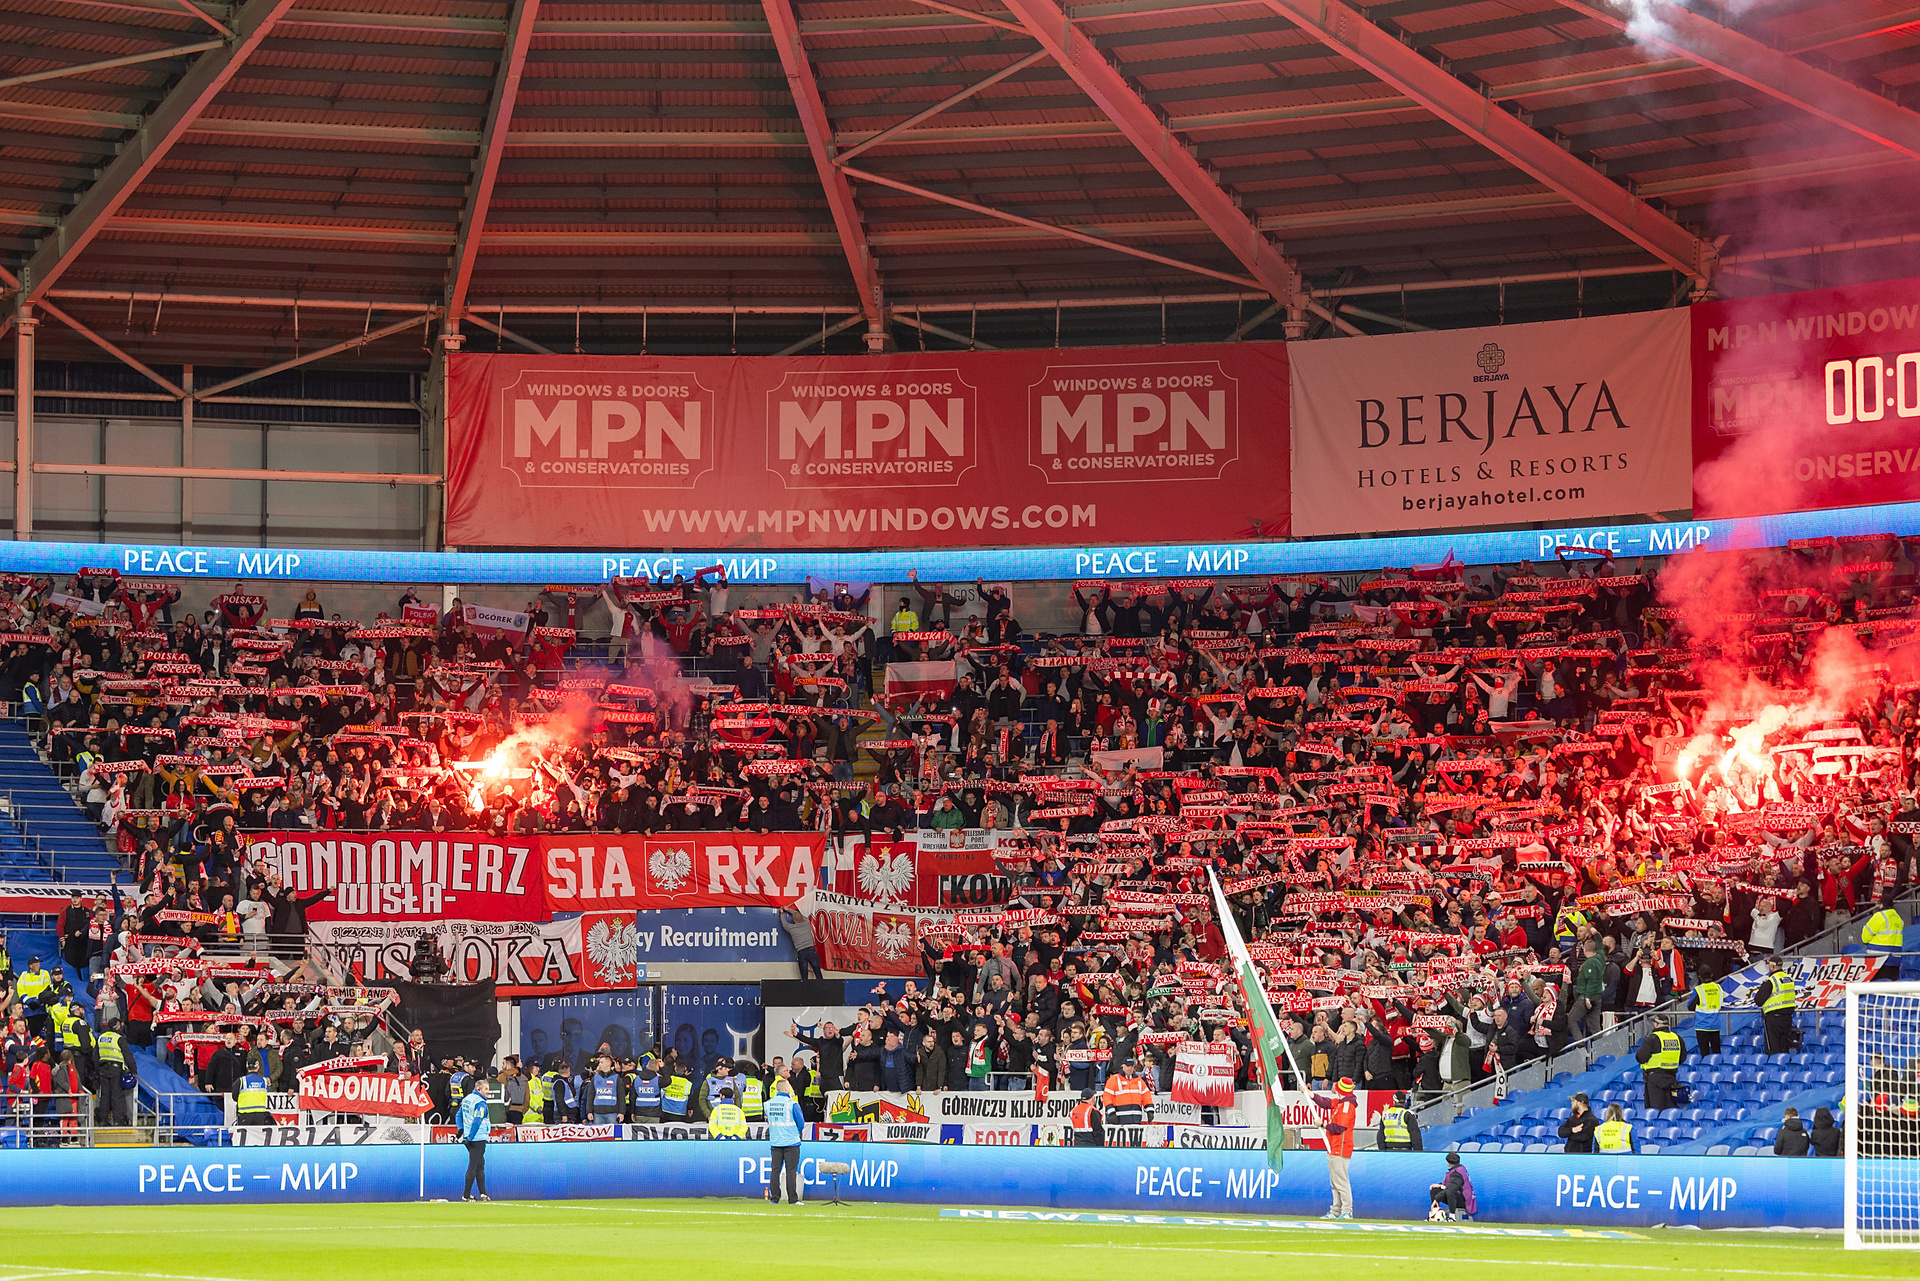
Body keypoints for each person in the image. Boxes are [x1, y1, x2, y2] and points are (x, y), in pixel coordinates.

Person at [1313, 1077, 1358, 1220]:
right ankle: (1336, 1210)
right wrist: (1311, 1095)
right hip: (1334, 1147)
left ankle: (1347, 1210)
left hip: (1341, 1147)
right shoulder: (1341, 1102)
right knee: (1335, 1182)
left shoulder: (1346, 1106)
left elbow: (1339, 1128)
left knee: (1340, 1181)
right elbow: (1325, 1102)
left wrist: (1322, 1125)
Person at [765, 1078, 805, 1205]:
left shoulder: (768, 1104)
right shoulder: (792, 1104)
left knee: (775, 1170)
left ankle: (774, 1198)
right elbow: (801, 1123)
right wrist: (795, 1133)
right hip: (791, 1142)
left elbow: (768, 1120)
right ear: (787, 1089)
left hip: (775, 1141)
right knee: (791, 1171)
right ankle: (792, 1199)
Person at [1634, 1015, 1685, 1111]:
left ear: (1656, 1024)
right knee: (1670, 1109)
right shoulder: (1677, 1038)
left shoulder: (1652, 1039)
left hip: (1654, 1079)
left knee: (1655, 1110)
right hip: (1672, 1078)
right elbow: (1682, 1058)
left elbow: (1641, 1057)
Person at [1099, 1059, 1153, 1145]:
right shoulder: (1114, 1079)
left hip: (1136, 1120)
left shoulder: (1139, 1081)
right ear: (1122, 1066)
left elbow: (1146, 1096)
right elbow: (1107, 1097)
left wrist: (1150, 1111)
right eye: (1127, 1066)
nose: (1130, 1068)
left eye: (1131, 1066)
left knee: (1135, 1145)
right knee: (1121, 1144)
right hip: (1120, 1120)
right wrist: (1112, 1113)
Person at [457, 1077, 491, 1201]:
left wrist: (461, 1130)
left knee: (479, 1165)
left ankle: (483, 1194)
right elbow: (477, 1121)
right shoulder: (480, 1103)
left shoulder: (467, 1099)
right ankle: (466, 1196)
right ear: (478, 1089)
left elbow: (458, 1115)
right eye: (486, 1089)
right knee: (474, 1166)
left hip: (469, 1137)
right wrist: (471, 1137)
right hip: (477, 1138)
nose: (488, 1092)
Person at [1760, 958, 1799, 1054]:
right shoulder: (1789, 979)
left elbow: (1758, 1000)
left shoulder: (1771, 981)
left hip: (1773, 1019)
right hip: (1787, 1019)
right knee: (1784, 1048)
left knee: (1773, 1050)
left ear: (1772, 966)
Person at [1427, 1151, 1475, 1221]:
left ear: (1448, 1163)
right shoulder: (1458, 1169)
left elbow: (1451, 1188)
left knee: (1450, 1191)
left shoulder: (1457, 1173)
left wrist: (1437, 1198)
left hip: (1464, 1200)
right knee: (1434, 1189)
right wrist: (1440, 1186)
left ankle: (1452, 1216)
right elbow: (1449, 1185)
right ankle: (1434, 1214)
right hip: (1457, 1194)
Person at [232, 1054, 274, 1128]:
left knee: (244, 1135)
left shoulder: (241, 1080)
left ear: (247, 1067)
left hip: (244, 1114)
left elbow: (234, 1096)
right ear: (258, 1067)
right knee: (257, 1134)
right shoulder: (264, 1081)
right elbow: (267, 1090)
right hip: (260, 1114)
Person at [1689, 976, 1724, 1058]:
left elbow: (1690, 1007)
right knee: (1717, 1053)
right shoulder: (1718, 987)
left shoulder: (1699, 989)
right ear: (1711, 975)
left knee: (1705, 1054)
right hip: (1715, 1025)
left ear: (1699, 976)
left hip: (1702, 1026)